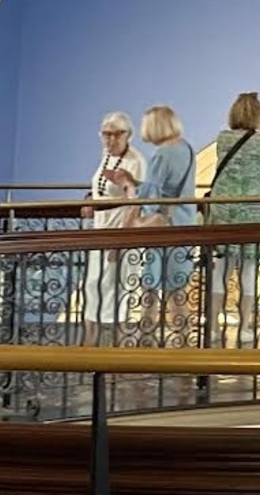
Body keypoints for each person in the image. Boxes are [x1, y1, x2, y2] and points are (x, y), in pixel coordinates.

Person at [205, 91, 260, 348]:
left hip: (224, 215)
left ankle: (213, 327)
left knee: (222, 271)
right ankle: (244, 328)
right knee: (249, 272)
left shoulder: (223, 139)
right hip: (254, 218)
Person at [106, 105, 196, 347]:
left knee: (150, 285)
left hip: (161, 227)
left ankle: (147, 335)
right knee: (177, 288)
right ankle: (183, 337)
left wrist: (129, 185)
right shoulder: (186, 148)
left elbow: (152, 195)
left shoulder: (162, 155)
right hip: (184, 223)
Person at [80, 111, 146, 346]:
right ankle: (90, 340)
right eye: (106, 134)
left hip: (119, 231)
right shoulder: (106, 156)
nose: (111, 139)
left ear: (127, 135)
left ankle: (119, 344)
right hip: (100, 230)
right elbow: (101, 187)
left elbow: (135, 202)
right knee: (93, 284)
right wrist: (90, 199)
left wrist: (121, 240)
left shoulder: (135, 162)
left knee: (117, 289)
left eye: (116, 134)